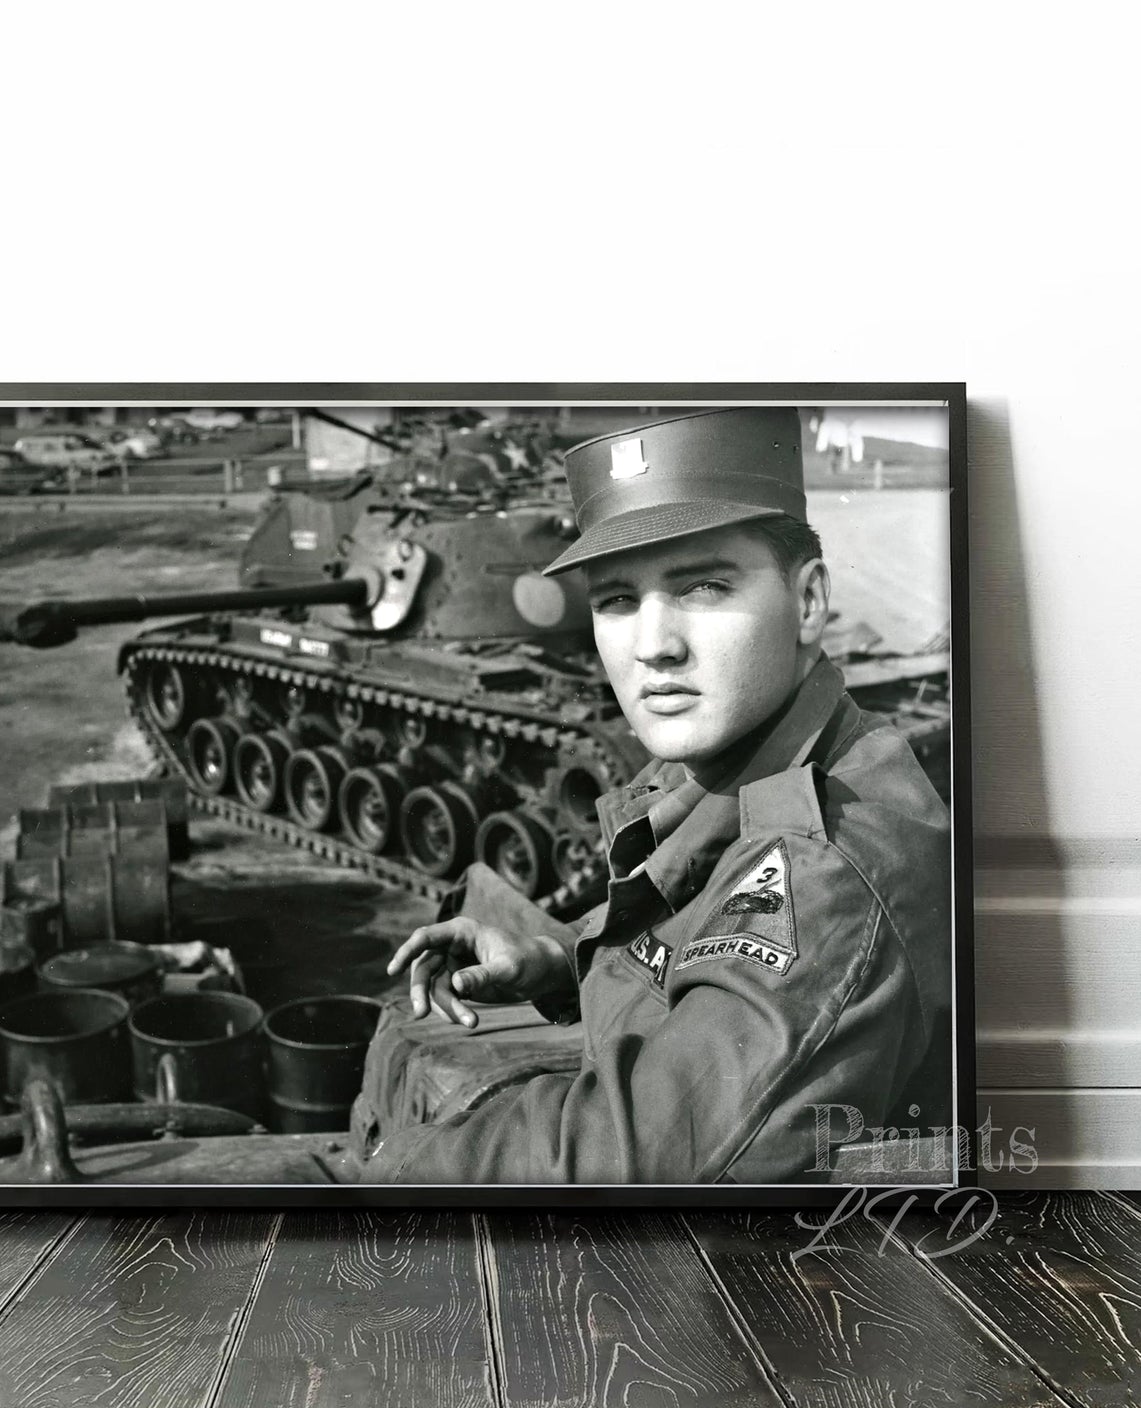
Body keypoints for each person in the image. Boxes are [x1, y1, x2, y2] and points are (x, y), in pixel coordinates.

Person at [364, 407, 951, 1185]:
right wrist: (555, 960)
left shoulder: (826, 868)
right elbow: (695, 954)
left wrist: (382, 1161)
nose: (653, 646)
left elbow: (625, 1157)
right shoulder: (740, 766)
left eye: (704, 586)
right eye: (614, 600)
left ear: (808, 603)